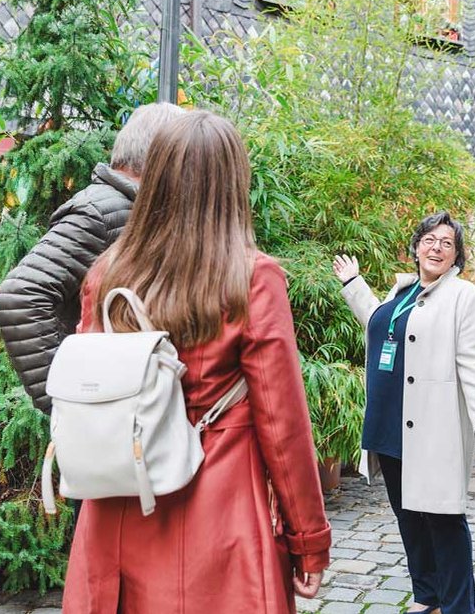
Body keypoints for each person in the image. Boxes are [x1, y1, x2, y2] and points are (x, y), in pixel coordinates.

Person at [62, 111, 331, 613]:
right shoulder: (251, 279)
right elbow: (283, 425)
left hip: (118, 506)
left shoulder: (107, 273)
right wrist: (308, 540)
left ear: (156, 179)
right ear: (233, 185)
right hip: (221, 514)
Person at [332, 212, 475, 614]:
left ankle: (458, 606)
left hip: (432, 426)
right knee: (408, 516)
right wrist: (353, 285)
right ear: (417, 247)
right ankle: (428, 598)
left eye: (446, 242)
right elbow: (380, 325)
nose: (436, 248)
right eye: (429, 240)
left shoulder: (463, 297)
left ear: (456, 254)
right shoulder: (402, 291)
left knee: (443, 519)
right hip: (389, 422)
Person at [0, 102, 186, 413]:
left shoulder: (130, 208)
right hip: (105, 414)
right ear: (163, 157)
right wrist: (65, 400)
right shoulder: (101, 211)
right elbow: (20, 296)